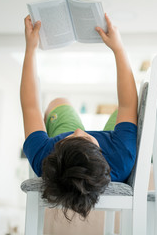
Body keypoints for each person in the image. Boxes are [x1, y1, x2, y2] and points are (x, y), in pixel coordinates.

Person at [21, 14, 138, 220]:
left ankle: (72, 139)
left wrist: (30, 48)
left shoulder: (43, 156)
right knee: (121, 113)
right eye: (84, 137)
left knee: (58, 100)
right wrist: (118, 48)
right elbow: (127, 104)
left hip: (74, 150)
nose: (78, 130)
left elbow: (30, 107)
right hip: (113, 139)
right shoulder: (121, 156)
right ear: (100, 153)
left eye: (70, 137)